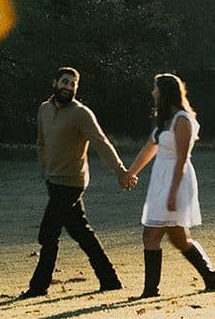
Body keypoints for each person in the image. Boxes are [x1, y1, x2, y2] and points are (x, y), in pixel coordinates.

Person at [20, 67, 134, 299]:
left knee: (48, 233)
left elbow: (101, 143)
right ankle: (110, 280)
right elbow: (41, 142)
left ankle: (38, 287)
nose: (68, 87)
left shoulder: (81, 113)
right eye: (65, 82)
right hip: (53, 180)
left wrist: (121, 172)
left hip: (72, 183)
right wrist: (45, 170)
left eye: (73, 84)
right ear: (55, 82)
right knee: (81, 231)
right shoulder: (43, 109)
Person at [121, 73, 215, 298]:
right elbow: (149, 148)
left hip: (177, 181)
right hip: (160, 180)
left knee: (151, 235)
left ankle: (150, 291)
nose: (152, 92)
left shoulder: (182, 120)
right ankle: (213, 279)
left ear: (165, 92)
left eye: (155, 88)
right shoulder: (163, 121)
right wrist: (130, 173)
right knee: (179, 239)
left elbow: (182, 159)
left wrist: (173, 192)